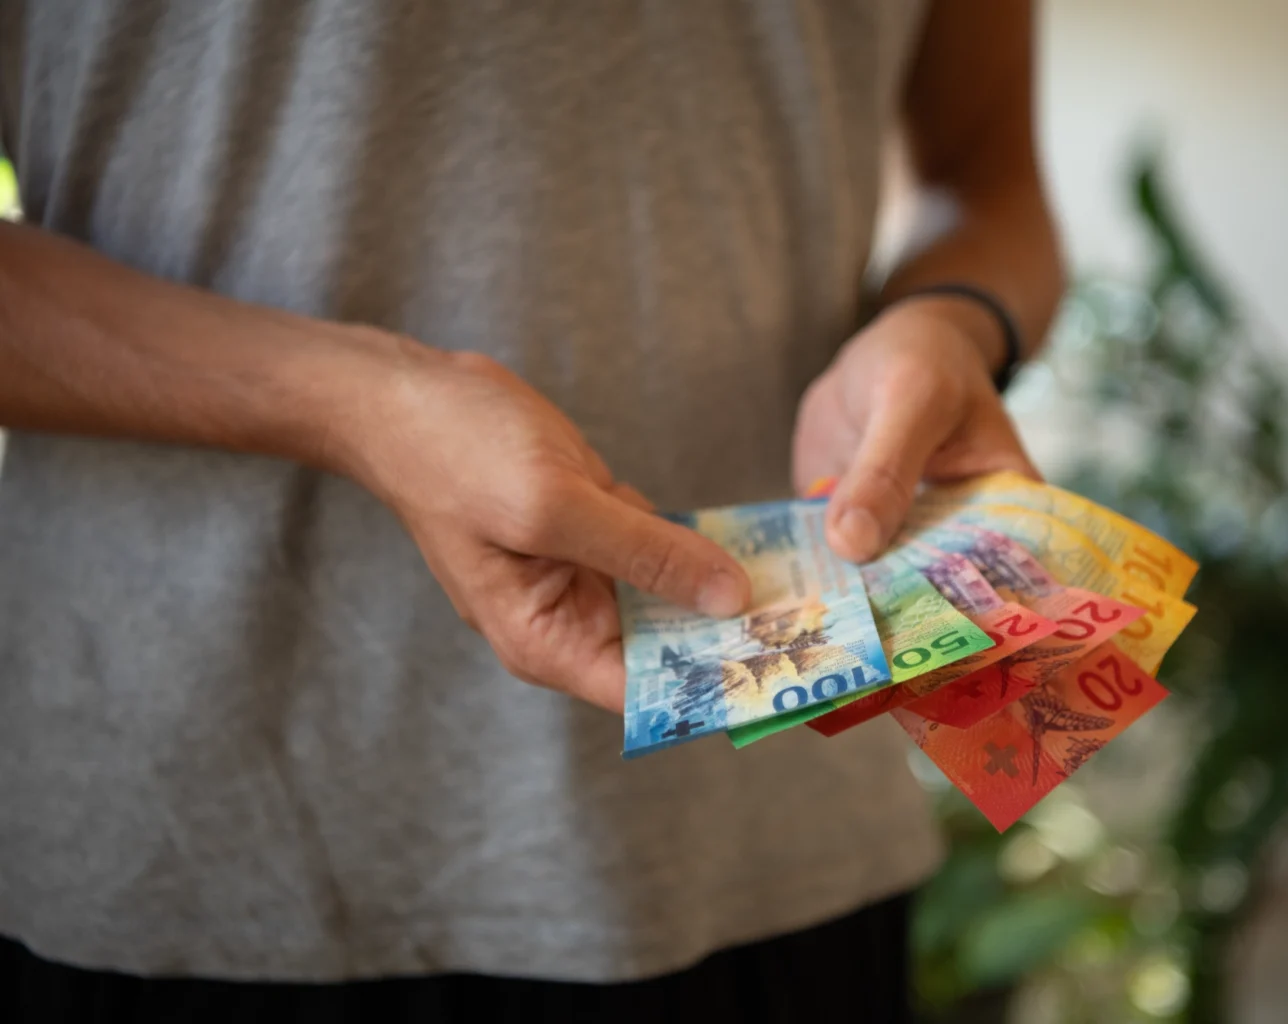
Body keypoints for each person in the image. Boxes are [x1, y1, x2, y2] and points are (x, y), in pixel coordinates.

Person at [0, 1, 1064, 1019]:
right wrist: (360, 402)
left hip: (776, 845)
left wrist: (951, 321)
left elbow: (989, 184)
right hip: (197, 838)